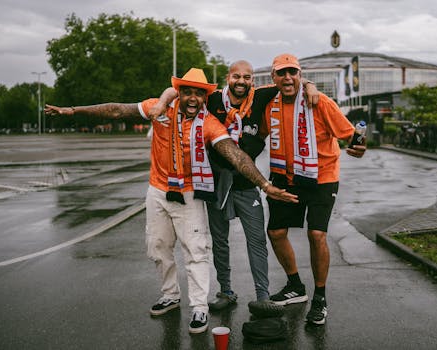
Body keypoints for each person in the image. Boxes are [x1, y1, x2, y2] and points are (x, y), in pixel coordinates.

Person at [44, 68, 297, 334]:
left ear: (204, 97)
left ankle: (199, 308)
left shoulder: (210, 122)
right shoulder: (160, 108)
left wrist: (266, 185)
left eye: (198, 94)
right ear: (178, 92)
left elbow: (236, 155)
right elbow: (117, 110)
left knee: (196, 251)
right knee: (158, 247)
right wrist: (73, 112)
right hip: (158, 190)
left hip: (191, 193)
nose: (191, 98)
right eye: (186, 92)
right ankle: (170, 294)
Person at [149, 61, 318, 318]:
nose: (241, 81)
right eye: (236, 76)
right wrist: (162, 101)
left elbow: (289, 83)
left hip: (247, 183)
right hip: (215, 183)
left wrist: (310, 85)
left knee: (256, 241)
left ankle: (263, 296)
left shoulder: (260, 96)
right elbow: (178, 91)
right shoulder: (213, 98)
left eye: (247, 77)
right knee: (219, 241)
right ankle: (226, 292)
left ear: (252, 80)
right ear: (228, 78)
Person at [261, 54, 366, 325]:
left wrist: (359, 145)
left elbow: (352, 134)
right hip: (285, 176)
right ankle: (295, 286)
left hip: (321, 177)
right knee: (275, 232)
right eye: (281, 73)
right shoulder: (268, 104)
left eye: (293, 73)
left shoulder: (319, 102)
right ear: (273, 77)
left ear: (300, 74)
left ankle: (320, 297)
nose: (287, 78)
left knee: (317, 234)